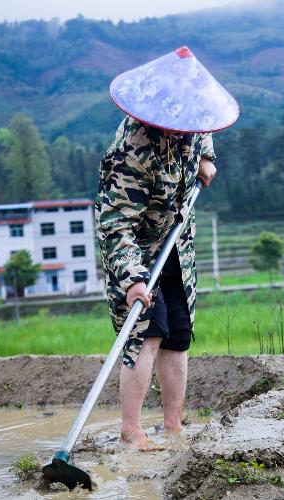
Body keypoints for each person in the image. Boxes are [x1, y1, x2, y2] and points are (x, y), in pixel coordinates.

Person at [95, 46, 239, 449]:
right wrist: (131, 279)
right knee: (147, 331)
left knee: (177, 332)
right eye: (176, 123)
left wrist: (206, 156)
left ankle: (174, 425)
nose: (183, 129)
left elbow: (203, 125)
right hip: (134, 248)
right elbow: (115, 224)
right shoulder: (132, 150)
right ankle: (131, 430)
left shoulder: (191, 118)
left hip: (175, 240)